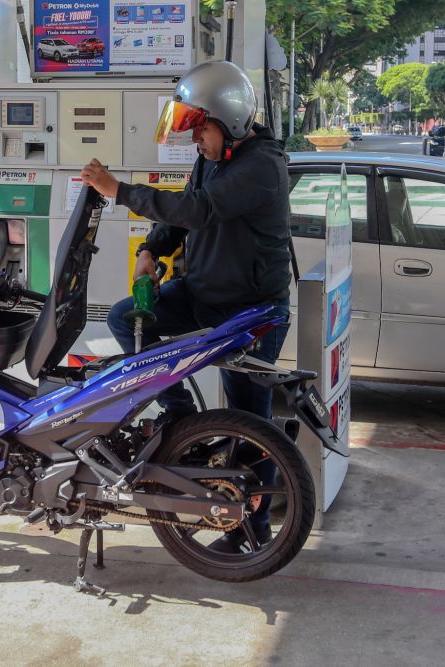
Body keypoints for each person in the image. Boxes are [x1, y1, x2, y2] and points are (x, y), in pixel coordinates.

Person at [80, 60, 292, 553]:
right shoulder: (214, 160)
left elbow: (199, 209)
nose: (196, 140)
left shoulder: (261, 166)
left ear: (230, 122)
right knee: (124, 317)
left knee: (248, 424)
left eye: (201, 129)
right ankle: (181, 418)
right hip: (200, 294)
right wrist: (151, 250)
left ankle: (251, 531)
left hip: (250, 312)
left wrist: (120, 191)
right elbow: (184, 214)